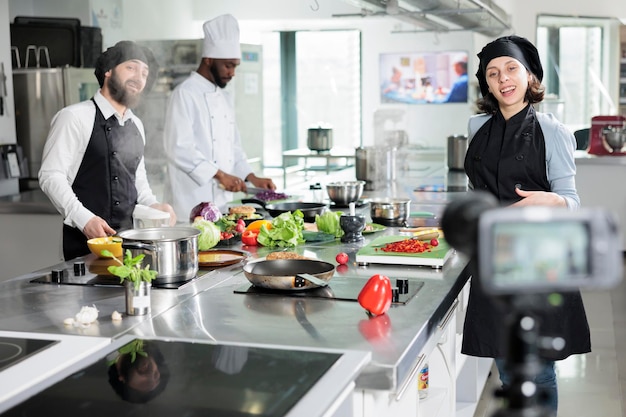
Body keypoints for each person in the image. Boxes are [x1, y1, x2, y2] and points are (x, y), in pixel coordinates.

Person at [462, 35, 590, 415]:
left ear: (530, 75)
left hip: (538, 262)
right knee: (505, 365)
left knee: (537, 368)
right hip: (491, 259)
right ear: (486, 83)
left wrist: (548, 199)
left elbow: (572, 200)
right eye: (493, 73)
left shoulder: (552, 130)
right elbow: (477, 191)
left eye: (511, 69)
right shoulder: (476, 126)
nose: (504, 79)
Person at [39, 41, 177, 261]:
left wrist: (154, 206)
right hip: (84, 246)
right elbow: (51, 176)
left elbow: (137, 183)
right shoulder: (74, 117)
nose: (139, 77)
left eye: (144, 72)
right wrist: (84, 219)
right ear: (108, 71)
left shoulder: (136, 125)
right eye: (131, 67)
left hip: (132, 245)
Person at [163, 14, 276, 220]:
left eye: (235, 66)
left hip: (221, 204)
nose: (232, 72)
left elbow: (233, 147)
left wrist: (251, 178)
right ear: (208, 59)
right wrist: (221, 175)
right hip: (190, 204)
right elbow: (179, 148)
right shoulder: (184, 93)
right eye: (228, 65)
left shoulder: (224, 96)